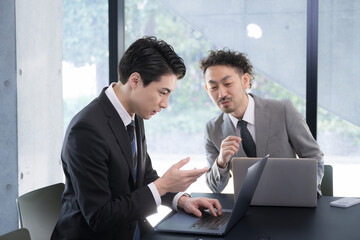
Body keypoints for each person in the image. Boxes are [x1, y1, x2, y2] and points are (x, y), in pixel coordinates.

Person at [51, 36, 222, 240]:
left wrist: (182, 200)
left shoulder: (133, 114)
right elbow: (99, 217)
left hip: (133, 229)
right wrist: (164, 185)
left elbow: (144, 177)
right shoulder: (86, 130)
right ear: (135, 80)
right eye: (162, 92)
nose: (165, 104)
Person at [200, 49, 324, 194]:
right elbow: (215, 188)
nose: (221, 94)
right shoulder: (212, 129)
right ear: (207, 89)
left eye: (227, 84)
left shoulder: (283, 110)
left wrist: (306, 193)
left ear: (245, 81)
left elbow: (313, 156)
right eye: (213, 87)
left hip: (290, 202)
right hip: (247, 209)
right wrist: (221, 162)